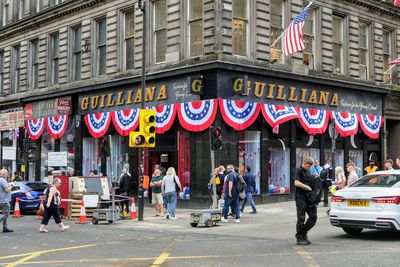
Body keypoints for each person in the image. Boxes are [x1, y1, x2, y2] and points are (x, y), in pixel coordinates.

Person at [294, 156, 317, 246]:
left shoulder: (308, 171)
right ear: (304, 163)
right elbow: (296, 182)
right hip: (300, 197)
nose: (309, 167)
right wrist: (307, 187)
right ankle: (299, 238)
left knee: (313, 217)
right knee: (301, 219)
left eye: (310, 166)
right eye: (308, 166)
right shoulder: (298, 170)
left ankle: (303, 232)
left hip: (309, 197)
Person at [0, 169, 13, 233]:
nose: (7, 175)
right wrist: (11, 185)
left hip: (1, 199)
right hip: (4, 200)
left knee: (4, 213)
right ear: (4, 174)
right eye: (7, 173)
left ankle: (5, 228)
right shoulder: (3, 180)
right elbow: (7, 190)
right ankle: (5, 227)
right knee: (6, 214)